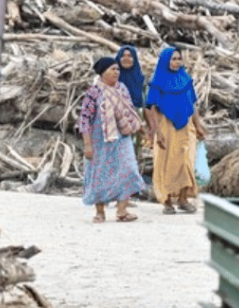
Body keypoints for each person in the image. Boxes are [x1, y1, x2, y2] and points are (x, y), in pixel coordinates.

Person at [78, 55, 145, 223]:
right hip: (100, 139)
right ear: (102, 72)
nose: (117, 72)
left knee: (128, 169)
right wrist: (87, 145)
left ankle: (122, 211)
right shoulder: (94, 92)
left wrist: (138, 129)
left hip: (122, 137)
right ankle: (100, 212)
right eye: (112, 69)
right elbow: (85, 119)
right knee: (100, 173)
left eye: (117, 69)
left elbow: (129, 110)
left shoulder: (122, 89)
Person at [145, 45, 207, 214]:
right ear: (166, 61)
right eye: (173, 59)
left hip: (186, 126)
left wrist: (198, 125)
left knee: (187, 162)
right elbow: (150, 107)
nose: (177, 62)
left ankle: (183, 199)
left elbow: (192, 104)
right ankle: (166, 201)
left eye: (179, 59)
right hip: (165, 126)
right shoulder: (157, 81)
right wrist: (156, 132)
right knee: (166, 163)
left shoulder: (185, 79)